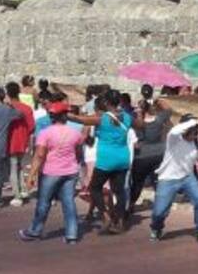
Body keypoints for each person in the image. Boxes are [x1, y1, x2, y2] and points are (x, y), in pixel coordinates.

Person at [17, 100, 85, 243]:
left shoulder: (45, 133)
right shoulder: (75, 133)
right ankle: (72, 234)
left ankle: (35, 231)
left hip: (51, 172)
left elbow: (39, 155)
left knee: (44, 202)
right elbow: (79, 153)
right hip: (71, 171)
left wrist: (31, 175)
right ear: (65, 115)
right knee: (69, 202)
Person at [70, 92, 135, 233]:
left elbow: (79, 119)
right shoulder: (127, 117)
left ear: (106, 103)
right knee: (119, 191)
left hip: (106, 160)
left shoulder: (102, 118)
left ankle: (106, 216)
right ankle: (120, 222)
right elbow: (141, 124)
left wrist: (64, 113)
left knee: (94, 188)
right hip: (123, 158)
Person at [148, 116, 198, 245]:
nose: (195, 133)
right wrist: (195, 121)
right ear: (186, 128)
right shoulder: (174, 139)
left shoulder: (196, 144)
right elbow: (174, 130)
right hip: (168, 178)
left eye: (197, 131)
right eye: (193, 130)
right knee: (159, 212)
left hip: (187, 177)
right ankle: (156, 228)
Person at [128, 96, 172, 209]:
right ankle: (161, 206)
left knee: (137, 183)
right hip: (158, 155)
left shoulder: (135, 123)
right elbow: (168, 109)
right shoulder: (159, 119)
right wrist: (157, 100)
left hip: (141, 156)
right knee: (158, 182)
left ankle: (130, 206)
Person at [3, 82, 36, 207]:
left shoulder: (7, 108)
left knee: (13, 167)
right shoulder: (27, 108)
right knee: (18, 165)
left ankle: (17, 195)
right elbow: (32, 127)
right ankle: (23, 190)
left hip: (10, 140)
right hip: (23, 140)